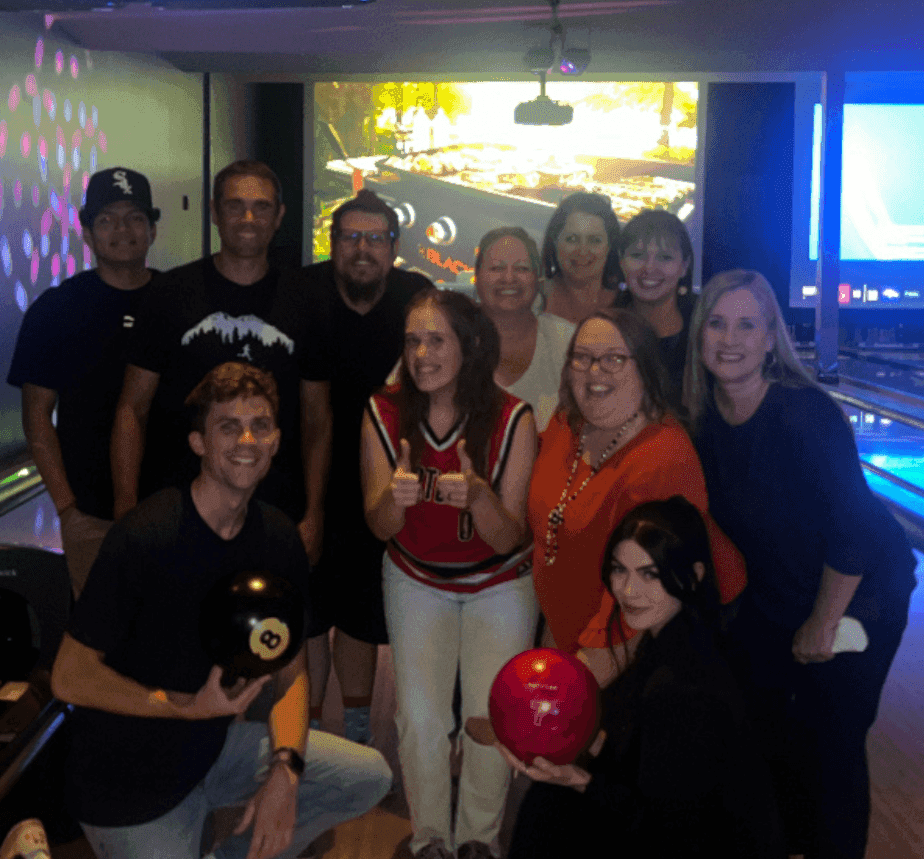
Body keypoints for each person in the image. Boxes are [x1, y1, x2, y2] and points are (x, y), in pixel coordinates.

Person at [51, 362, 391, 859]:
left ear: (276, 440)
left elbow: (291, 672)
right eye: (228, 427)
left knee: (368, 776)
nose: (246, 440)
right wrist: (180, 706)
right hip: (126, 783)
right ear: (198, 443)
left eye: (260, 425)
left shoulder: (278, 540)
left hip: (210, 751)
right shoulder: (146, 537)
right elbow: (69, 676)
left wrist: (285, 770)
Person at [687, 270, 917, 859]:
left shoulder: (804, 414)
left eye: (747, 325)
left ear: (771, 339)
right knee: (767, 735)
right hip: (779, 594)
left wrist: (823, 619)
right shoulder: (705, 422)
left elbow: (855, 526)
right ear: (699, 334)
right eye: (717, 324)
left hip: (864, 592)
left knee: (834, 742)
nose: (730, 339)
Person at [492, 497, 782, 859]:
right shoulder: (676, 637)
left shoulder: (681, 684)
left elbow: (669, 832)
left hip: (686, 842)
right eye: (620, 570)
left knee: (550, 809)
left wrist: (580, 780)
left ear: (694, 575)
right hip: (667, 825)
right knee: (548, 802)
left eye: (650, 574)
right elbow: (642, 757)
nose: (628, 591)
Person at [360, 290, 537, 859]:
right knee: (420, 718)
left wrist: (481, 499)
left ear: (471, 345)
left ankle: (479, 840)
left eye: (437, 340)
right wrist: (394, 501)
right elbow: (380, 527)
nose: (421, 354)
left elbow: (509, 538)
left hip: (499, 581)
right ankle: (431, 838)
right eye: (412, 341)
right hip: (416, 576)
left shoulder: (513, 418)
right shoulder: (383, 411)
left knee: (488, 716)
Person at [111, 160, 330, 565]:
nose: (248, 218)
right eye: (235, 206)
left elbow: (317, 419)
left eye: (261, 207)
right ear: (214, 212)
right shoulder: (169, 294)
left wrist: (314, 512)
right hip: (177, 511)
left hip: (275, 511)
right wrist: (126, 509)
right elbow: (132, 408)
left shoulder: (307, 300)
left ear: (279, 216)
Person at [527, 308, 746, 655]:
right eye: (582, 358)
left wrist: (573, 676)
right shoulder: (566, 424)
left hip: (641, 648)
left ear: (645, 368)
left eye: (614, 359)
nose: (594, 371)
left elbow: (640, 609)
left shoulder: (662, 459)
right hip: (569, 633)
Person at [299, 189, 434, 745]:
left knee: (358, 611)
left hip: (381, 479)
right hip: (308, 475)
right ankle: (304, 732)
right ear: (332, 244)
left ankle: (354, 733)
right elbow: (313, 413)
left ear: (394, 247)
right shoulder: (304, 294)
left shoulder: (414, 297)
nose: (362, 249)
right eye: (351, 237)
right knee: (308, 613)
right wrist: (309, 506)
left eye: (375, 239)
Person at [7, 166, 160, 595]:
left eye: (134, 218)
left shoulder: (176, 302)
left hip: (177, 508)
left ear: (152, 229)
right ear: (88, 233)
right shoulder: (55, 311)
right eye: (107, 219)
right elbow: (37, 416)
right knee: (99, 627)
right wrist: (67, 509)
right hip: (90, 511)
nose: (122, 230)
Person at [473, 226, 575, 430]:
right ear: (476, 276)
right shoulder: (449, 337)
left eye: (522, 269)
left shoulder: (569, 341)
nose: (509, 278)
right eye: (496, 268)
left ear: (538, 278)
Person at [617, 209, 695, 400]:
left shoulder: (706, 328)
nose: (649, 268)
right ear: (621, 261)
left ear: (684, 266)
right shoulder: (604, 327)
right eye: (637, 255)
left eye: (665, 257)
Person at [539, 193, 626, 325]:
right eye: (572, 239)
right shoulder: (531, 297)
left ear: (610, 246)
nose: (582, 251)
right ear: (555, 242)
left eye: (595, 240)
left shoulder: (626, 305)